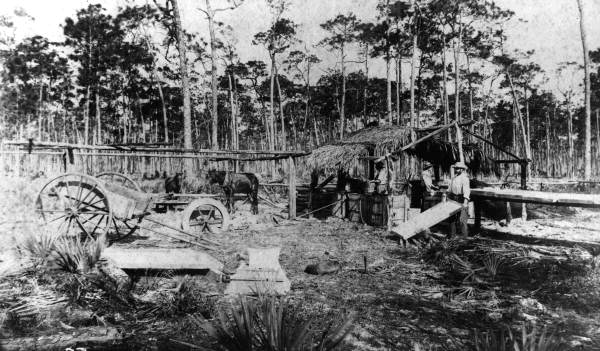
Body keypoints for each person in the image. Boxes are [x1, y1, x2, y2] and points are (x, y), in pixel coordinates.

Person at [447, 161, 470, 237]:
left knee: (462, 219)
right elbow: (450, 189)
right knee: (452, 218)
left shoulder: (465, 178)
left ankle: (464, 237)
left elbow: (466, 191)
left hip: (461, 199)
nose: (456, 170)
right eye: (456, 168)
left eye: (458, 169)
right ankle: (451, 236)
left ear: (462, 170)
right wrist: (447, 196)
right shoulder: (453, 178)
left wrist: (465, 203)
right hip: (453, 198)